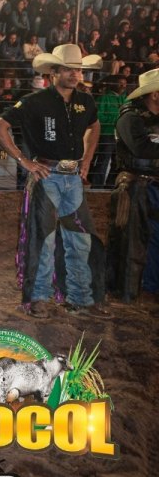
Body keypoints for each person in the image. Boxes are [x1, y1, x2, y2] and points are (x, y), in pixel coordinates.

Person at [0, 44, 106, 318]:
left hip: (72, 177)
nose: (74, 74)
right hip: (47, 176)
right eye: (68, 69)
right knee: (44, 239)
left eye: (77, 69)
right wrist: (24, 160)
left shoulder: (86, 101)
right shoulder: (34, 101)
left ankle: (80, 298)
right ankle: (39, 298)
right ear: (53, 72)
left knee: (80, 239)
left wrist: (88, 158)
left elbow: (95, 126)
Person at [107, 67, 159, 306]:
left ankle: (150, 285)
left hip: (149, 185)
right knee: (131, 239)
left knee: (150, 237)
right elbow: (141, 149)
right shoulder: (130, 118)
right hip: (135, 185)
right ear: (154, 94)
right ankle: (127, 289)